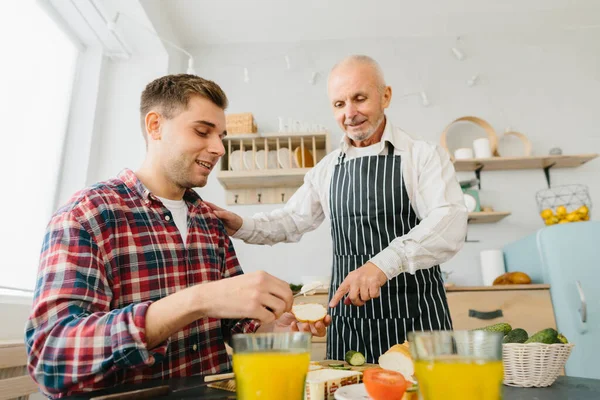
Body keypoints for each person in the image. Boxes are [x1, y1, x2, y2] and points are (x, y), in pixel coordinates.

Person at [25, 74, 330, 399]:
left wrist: (270, 328)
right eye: (202, 131)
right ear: (155, 126)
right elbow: (51, 358)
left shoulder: (209, 222)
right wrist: (197, 300)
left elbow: (233, 322)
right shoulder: (89, 214)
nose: (218, 148)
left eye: (221, 135)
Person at [208, 55, 468, 363]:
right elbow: (292, 220)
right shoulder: (327, 168)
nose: (350, 113)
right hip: (351, 322)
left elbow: (448, 220)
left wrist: (384, 263)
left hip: (417, 317)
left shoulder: (422, 156)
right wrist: (240, 224)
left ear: (385, 96)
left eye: (360, 99)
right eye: (339, 104)